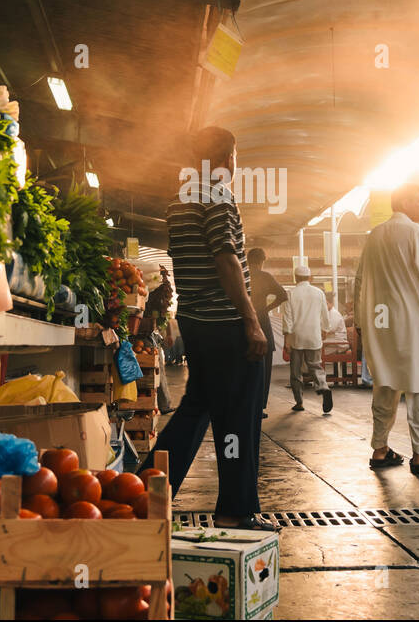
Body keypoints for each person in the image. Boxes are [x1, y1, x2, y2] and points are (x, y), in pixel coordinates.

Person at [140, 125, 274, 531]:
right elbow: (226, 258)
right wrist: (251, 320)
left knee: (196, 410)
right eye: (236, 155)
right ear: (228, 157)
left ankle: (144, 493)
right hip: (225, 323)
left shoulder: (180, 197)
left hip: (196, 323)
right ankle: (235, 510)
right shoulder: (216, 193)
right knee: (240, 415)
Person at [355, 183, 419, 476]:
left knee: (385, 384)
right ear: (405, 202)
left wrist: (360, 324)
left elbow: (359, 282)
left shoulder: (374, 236)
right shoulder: (414, 232)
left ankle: (379, 449)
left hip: (381, 322)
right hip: (414, 323)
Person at [282, 265, 332, 413]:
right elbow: (325, 314)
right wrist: (325, 329)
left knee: (296, 371)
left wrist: (287, 338)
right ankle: (323, 387)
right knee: (316, 366)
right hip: (314, 335)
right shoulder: (319, 293)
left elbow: (288, 318)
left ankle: (299, 402)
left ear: (295, 277)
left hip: (297, 337)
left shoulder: (291, 294)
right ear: (310, 278)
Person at [247, 248, 287, 418]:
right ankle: (259, 407)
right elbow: (283, 295)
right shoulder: (265, 277)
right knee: (264, 368)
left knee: (245, 367)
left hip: (243, 324)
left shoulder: (242, 275)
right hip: (262, 322)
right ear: (262, 260)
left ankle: (245, 404)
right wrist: (266, 309)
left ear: (248, 260)